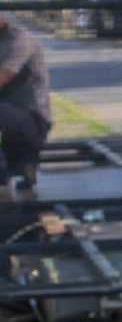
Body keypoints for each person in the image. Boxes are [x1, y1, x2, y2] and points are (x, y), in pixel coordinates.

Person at [0, 14, 51, 190]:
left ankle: (13, 167)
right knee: (17, 164)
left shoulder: (20, 39)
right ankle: (18, 167)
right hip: (8, 114)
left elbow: (3, 75)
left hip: (32, 116)